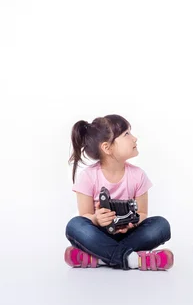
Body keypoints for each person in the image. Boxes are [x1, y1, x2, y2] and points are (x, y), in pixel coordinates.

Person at [64, 114, 174, 271]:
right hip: (99, 236)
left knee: (161, 226)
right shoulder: (87, 177)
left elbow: (142, 213)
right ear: (107, 148)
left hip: (129, 235)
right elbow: (85, 217)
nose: (134, 138)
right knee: (74, 226)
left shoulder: (138, 175)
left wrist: (131, 224)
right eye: (126, 134)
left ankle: (100, 258)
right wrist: (96, 219)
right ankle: (133, 260)